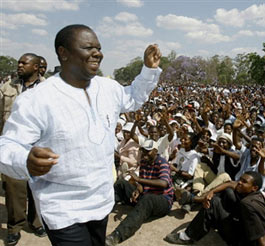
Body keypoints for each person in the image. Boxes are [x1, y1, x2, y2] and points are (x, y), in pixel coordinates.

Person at [0, 24, 162, 246]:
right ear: (63, 53)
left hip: (101, 201)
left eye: (98, 47)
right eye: (88, 47)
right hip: (63, 208)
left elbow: (133, 97)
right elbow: (7, 146)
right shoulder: (36, 99)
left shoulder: (108, 88)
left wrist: (148, 70)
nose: (97, 53)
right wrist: (25, 160)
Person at [0, 53, 45, 245]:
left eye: (23, 63)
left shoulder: (48, 89)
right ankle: (15, 227)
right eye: (19, 62)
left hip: (38, 146)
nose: (19, 65)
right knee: (13, 189)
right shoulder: (7, 87)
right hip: (12, 146)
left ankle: (36, 222)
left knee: (38, 188)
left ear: (35, 67)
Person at [164, 171, 265, 246]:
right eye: (240, 179)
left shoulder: (248, 204)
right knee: (225, 193)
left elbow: (262, 238)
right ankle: (207, 213)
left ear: (254, 188)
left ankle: (187, 237)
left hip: (242, 241)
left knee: (215, 202)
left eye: (244, 182)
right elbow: (230, 183)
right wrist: (211, 192)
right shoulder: (255, 194)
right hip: (242, 226)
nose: (240, 182)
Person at [105, 139, 174, 246]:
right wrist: (137, 190)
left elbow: (163, 183)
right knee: (121, 183)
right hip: (146, 196)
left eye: (148, 151)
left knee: (148, 198)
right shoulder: (144, 162)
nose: (145, 153)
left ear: (155, 151)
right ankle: (105, 208)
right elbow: (143, 183)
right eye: (143, 150)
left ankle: (118, 235)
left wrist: (138, 180)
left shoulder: (162, 163)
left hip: (162, 200)